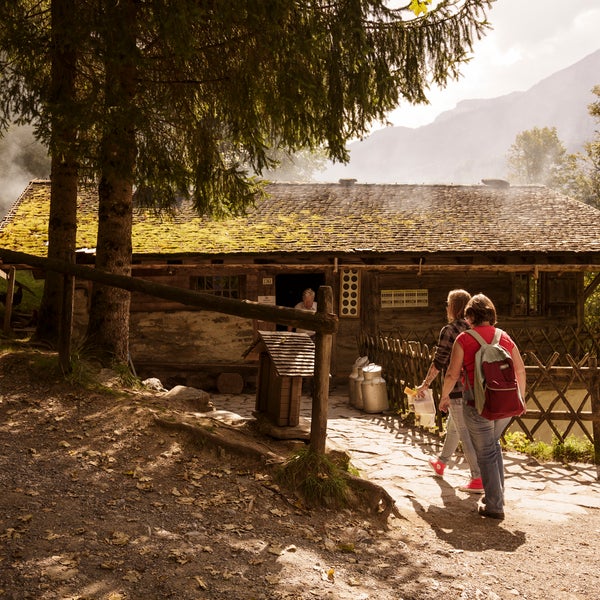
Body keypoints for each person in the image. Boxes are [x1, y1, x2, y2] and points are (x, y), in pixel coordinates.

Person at [440, 293, 526, 520]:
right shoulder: (504, 336)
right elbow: (520, 370)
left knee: (486, 452)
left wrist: (443, 396)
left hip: (476, 403)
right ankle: (495, 497)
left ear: (470, 316)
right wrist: (521, 398)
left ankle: (495, 506)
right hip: (505, 402)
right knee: (493, 447)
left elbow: (451, 373)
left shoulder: (464, 339)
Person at [416, 289, 483, 494]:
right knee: (454, 425)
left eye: (448, 304)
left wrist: (425, 384)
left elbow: (439, 362)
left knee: (464, 432)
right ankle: (442, 463)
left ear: (454, 307)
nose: (446, 308)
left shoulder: (450, 330)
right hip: (477, 388)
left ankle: (478, 478)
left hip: (458, 388)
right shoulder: (476, 328)